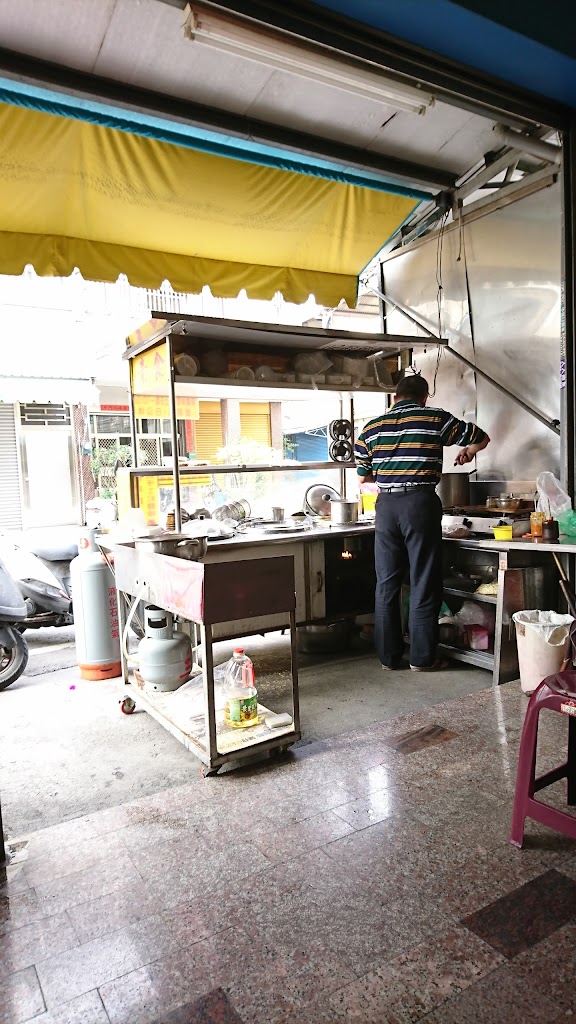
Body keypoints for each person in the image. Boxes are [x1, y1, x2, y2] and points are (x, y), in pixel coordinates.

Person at [355, 374, 490, 671]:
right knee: (423, 580)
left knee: (387, 584)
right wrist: (468, 451)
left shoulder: (371, 427)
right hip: (420, 502)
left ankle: (389, 658)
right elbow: (481, 437)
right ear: (425, 397)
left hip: (386, 507)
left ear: (395, 397)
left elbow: (363, 476)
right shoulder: (435, 418)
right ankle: (422, 658)